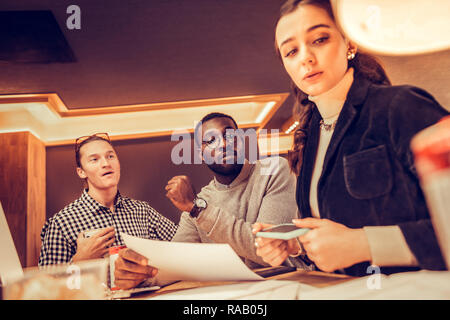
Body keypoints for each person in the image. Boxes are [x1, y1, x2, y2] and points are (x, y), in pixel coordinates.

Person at [253, 0, 449, 277]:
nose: (305, 58)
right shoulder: (310, 136)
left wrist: (364, 243)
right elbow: (335, 229)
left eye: (319, 39)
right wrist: (297, 243)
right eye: (291, 51)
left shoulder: (399, 106)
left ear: (349, 43)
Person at [114, 112, 304, 289]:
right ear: (200, 153)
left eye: (230, 135)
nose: (222, 144)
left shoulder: (274, 170)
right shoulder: (200, 201)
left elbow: (269, 250)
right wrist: (139, 275)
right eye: (211, 140)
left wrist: (198, 209)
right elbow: (177, 261)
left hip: (288, 288)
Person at [39, 133, 177, 276]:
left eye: (110, 156)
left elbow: (182, 245)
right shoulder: (61, 223)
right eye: (94, 159)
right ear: (81, 172)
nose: (106, 163)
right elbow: (45, 287)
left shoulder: (142, 211)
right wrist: (80, 261)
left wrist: (192, 209)